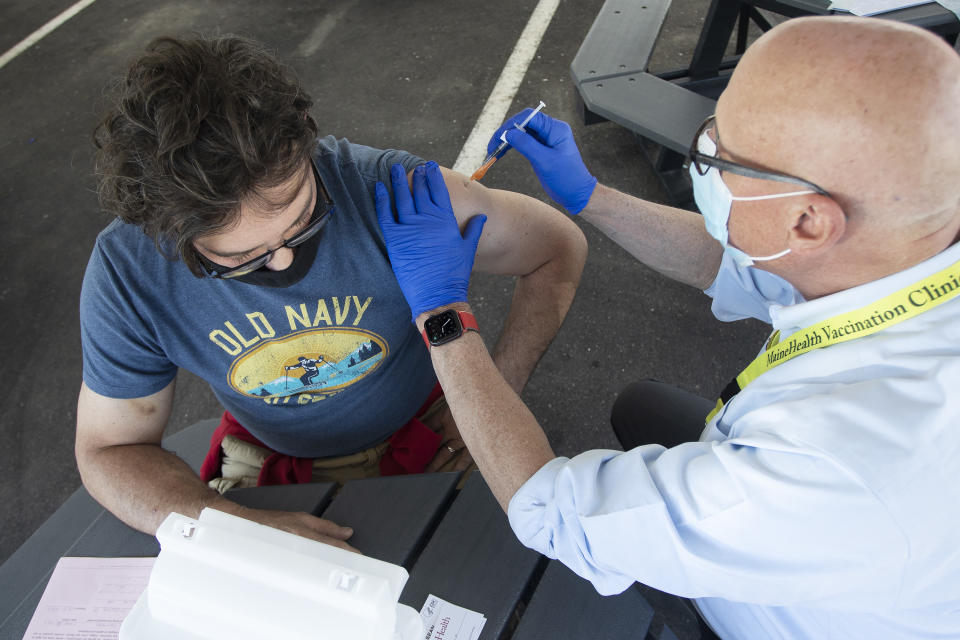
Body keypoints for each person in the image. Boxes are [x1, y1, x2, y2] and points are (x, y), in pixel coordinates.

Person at [374, 16, 960, 639]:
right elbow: (731, 264)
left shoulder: (836, 467)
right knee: (642, 407)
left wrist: (441, 315)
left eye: (723, 154)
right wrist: (589, 195)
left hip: (775, 614)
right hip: (813, 523)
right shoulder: (905, 252)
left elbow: (553, 515)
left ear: (810, 222)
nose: (703, 157)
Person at [76, 36, 586, 550]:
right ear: (168, 233)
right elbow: (109, 449)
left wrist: (497, 386)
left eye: (303, 218)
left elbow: (556, 248)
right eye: (241, 258)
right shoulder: (129, 269)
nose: (284, 261)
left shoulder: (394, 193)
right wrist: (227, 524)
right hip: (272, 455)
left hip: (430, 424)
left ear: (304, 146)